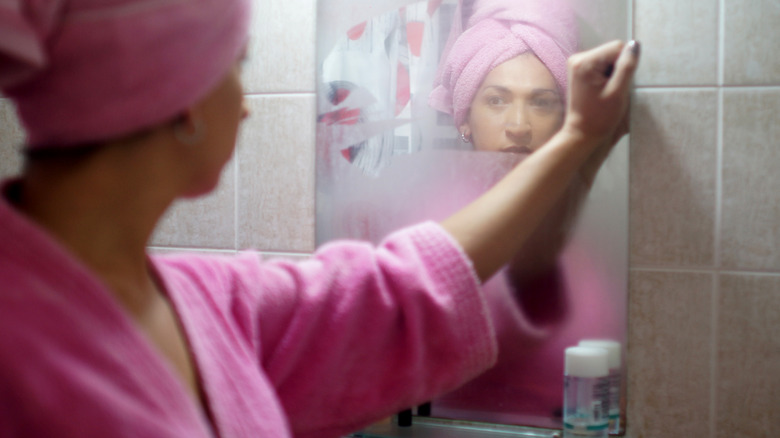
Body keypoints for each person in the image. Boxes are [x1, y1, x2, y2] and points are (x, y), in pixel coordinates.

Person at [0, 0, 639, 437]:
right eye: (236, 68)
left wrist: (579, 135)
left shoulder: (208, 303)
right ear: (184, 99)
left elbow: (400, 292)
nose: (246, 107)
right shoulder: (20, 339)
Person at [425, 0, 628, 427]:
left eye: (541, 102)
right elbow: (516, 273)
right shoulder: (441, 214)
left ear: (561, 117)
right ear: (465, 118)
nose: (518, 124)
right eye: (497, 101)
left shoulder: (596, 219)